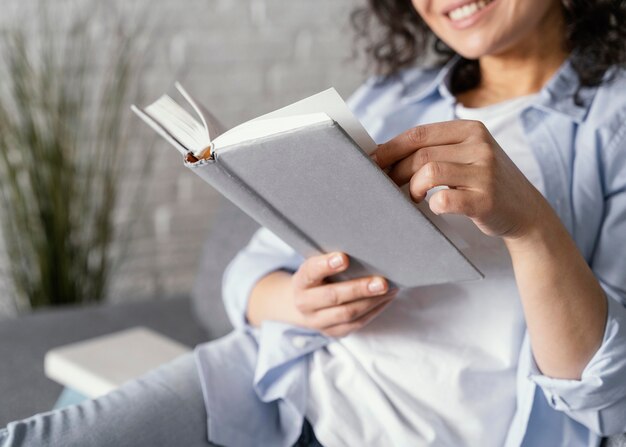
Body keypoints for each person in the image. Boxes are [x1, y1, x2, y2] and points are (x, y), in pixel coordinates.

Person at [2, 0, 626, 446]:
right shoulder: (390, 99)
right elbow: (246, 275)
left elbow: (605, 396)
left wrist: (532, 226)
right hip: (274, 390)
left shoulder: (611, 121)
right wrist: (300, 303)